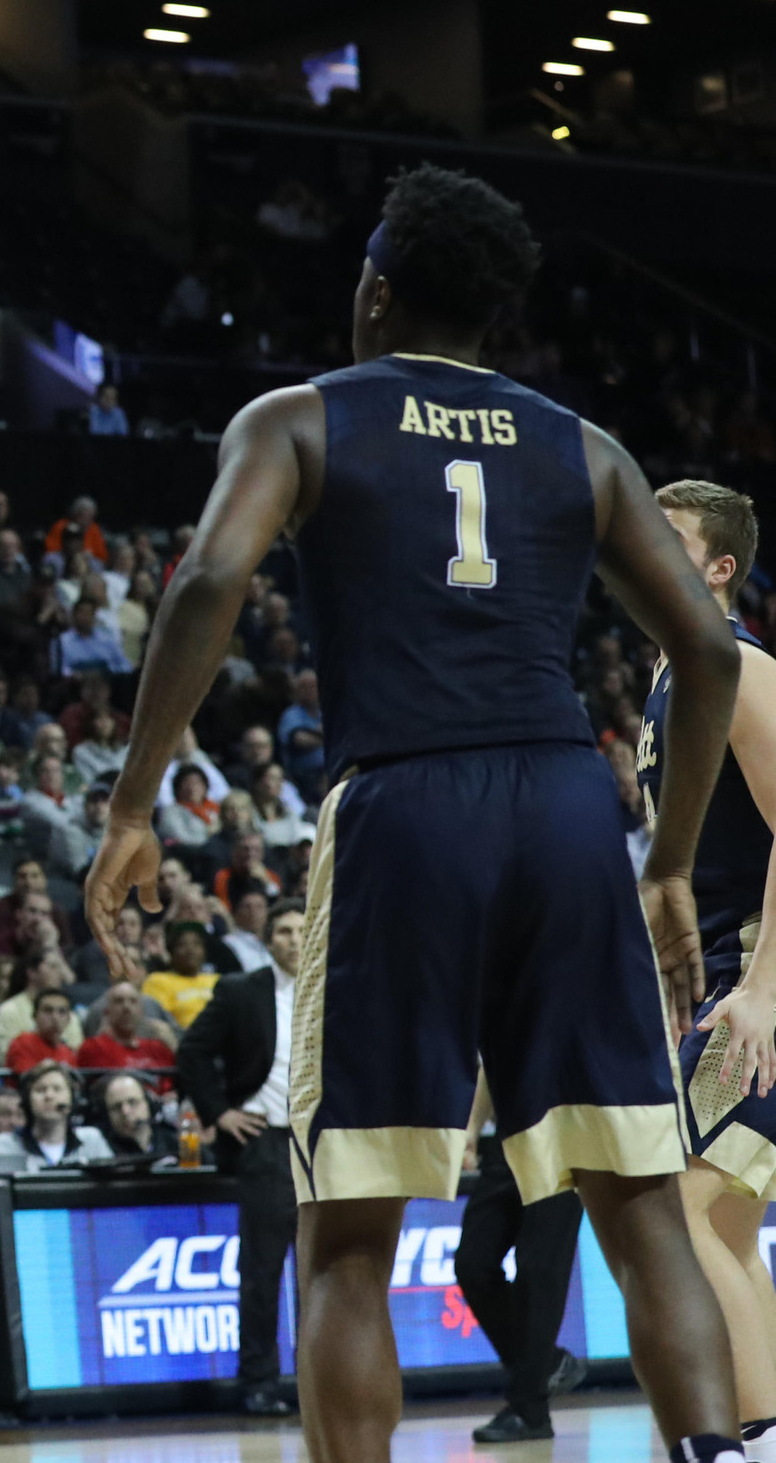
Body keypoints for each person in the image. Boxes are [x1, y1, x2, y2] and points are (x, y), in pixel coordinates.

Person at [85, 164, 748, 1463]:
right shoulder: (584, 444)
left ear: (376, 289)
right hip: (566, 799)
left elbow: (213, 573)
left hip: (404, 802)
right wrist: (667, 862)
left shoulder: (299, 417)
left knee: (349, 1231)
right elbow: (710, 653)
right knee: (642, 1205)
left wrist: (133, 799)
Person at [637, 480, 776, 1457]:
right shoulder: (668, 678)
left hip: (753, 990)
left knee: (682, 1215)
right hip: (716, 985)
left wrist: (763, 992)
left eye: (667, 535)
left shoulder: (738, 667)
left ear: (718, 567)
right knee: (723, 1225)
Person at [171, 903, 304, 1413]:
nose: (295, 939)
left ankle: (325, 1380)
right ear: (268, 941)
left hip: (324, 1145)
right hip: (266, 1143)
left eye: (302, 929)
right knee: (263, 1271)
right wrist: (219, 1111)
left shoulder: (336, 990)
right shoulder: (240, 991)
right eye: (285, 931)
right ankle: (259, 1383)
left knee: (327, 1271)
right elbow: (192, 1052)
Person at [455, 1071, 588, 1444]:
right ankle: (547, 1364)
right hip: (507, 1136)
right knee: (472, 1264)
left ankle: (530, 1411)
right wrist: (471, 1129)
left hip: (566, 1132)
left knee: (540, 1269)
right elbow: (491, 1059)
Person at [0, 1061, 113, 1170]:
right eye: (40, 1090)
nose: (49, 1096)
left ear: (72, 1099)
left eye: (57, 1089)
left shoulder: (91, 1140)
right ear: (27, 1101)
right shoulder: (3, 1147)